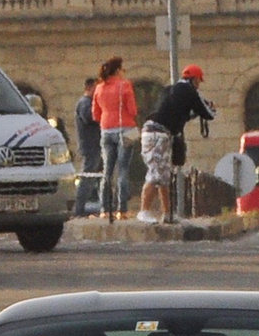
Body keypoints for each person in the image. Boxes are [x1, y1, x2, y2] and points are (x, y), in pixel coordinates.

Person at [137, 64, 216, 224]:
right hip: (157, 134)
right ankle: (143, 211)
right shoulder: (190, 92)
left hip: (156, 132)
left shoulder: (170, 90)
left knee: (164, 176)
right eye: (199, 81)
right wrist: (212, 108)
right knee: (155, 173)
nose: (199, 84)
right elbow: (207, 114)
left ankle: (168, 214)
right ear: (194, 79)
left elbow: (181, 114)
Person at [91, 57, 137, 219]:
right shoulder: (125, 85)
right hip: (126, 129)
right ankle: (121, 210)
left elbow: (95, 114)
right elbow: (133, 110)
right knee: (123, 169)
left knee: (107, 171)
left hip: (106, 130)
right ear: (118, 70)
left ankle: (104, 209)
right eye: (123, 69)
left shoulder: (99, 88)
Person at [74, 77, 102, 216]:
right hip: (90, 146)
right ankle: (79, 208)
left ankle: (105, 206)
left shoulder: (89, 102)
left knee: (99, 176)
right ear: (90, 88)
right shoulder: (85, 103)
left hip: (96, 145)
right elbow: (89, 117)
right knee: (87, 177)